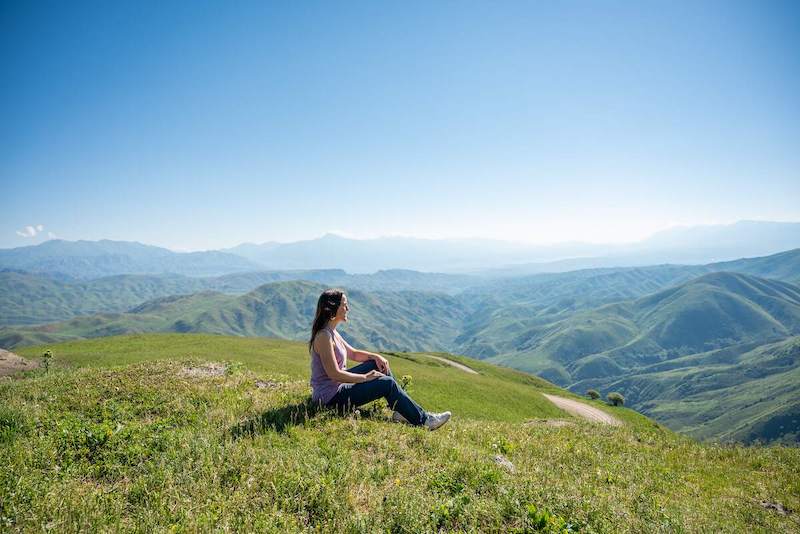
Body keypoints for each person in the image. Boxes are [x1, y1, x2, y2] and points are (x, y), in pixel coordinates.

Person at [309, 288, 451, 430]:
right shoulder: (324, 336)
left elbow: (353, 354)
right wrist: (365, 377)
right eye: (344, 305)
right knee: (386, 384)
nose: (348, 308)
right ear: (333, 308)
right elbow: (334, 374)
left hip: (337, 388)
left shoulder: (332, 332)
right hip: (329, 398)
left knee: (377, 365)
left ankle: (402, 411)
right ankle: (424, 420)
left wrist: (375, 357)